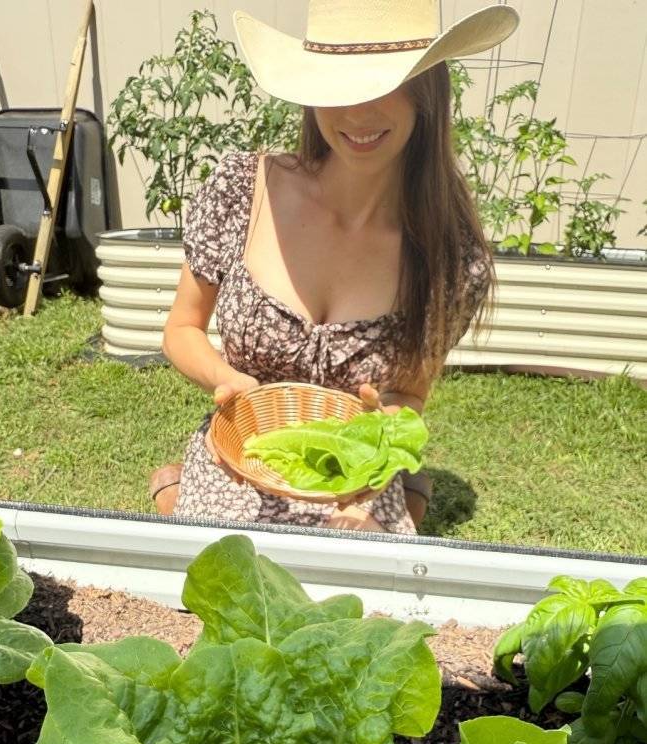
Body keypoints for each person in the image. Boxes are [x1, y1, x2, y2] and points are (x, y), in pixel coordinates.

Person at [151, 0, 520, 534]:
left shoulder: (450, 258)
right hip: (244, 457)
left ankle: (403, 492)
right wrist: (226, 379)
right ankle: (183, 489)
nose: (356, 114)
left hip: (355, 477)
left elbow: (410, 394)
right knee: (224, 580)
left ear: (426, 92)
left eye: (383, 84)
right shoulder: (241, 189)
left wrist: (383, 432)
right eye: (336, 88)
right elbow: (181, 329)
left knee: (362, 599)